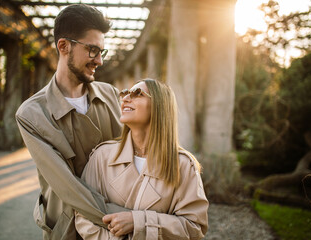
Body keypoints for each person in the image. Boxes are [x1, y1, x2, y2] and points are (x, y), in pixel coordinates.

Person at [15, 4, 129, 240]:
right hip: (70, 231)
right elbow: (68, 186)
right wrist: (132, 219)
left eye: (102, 52)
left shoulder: (111, 95)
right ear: (64, 46)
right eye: (92, 50)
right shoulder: (31, 114)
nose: (99, 60)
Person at [74, 79, 209, 239]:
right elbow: (83, 214)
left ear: (160, 106)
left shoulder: (183, 165)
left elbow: (194, 228)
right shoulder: (102, 156)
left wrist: (139, 222)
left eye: (137, 94)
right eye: (125, 93)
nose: (125, 99)